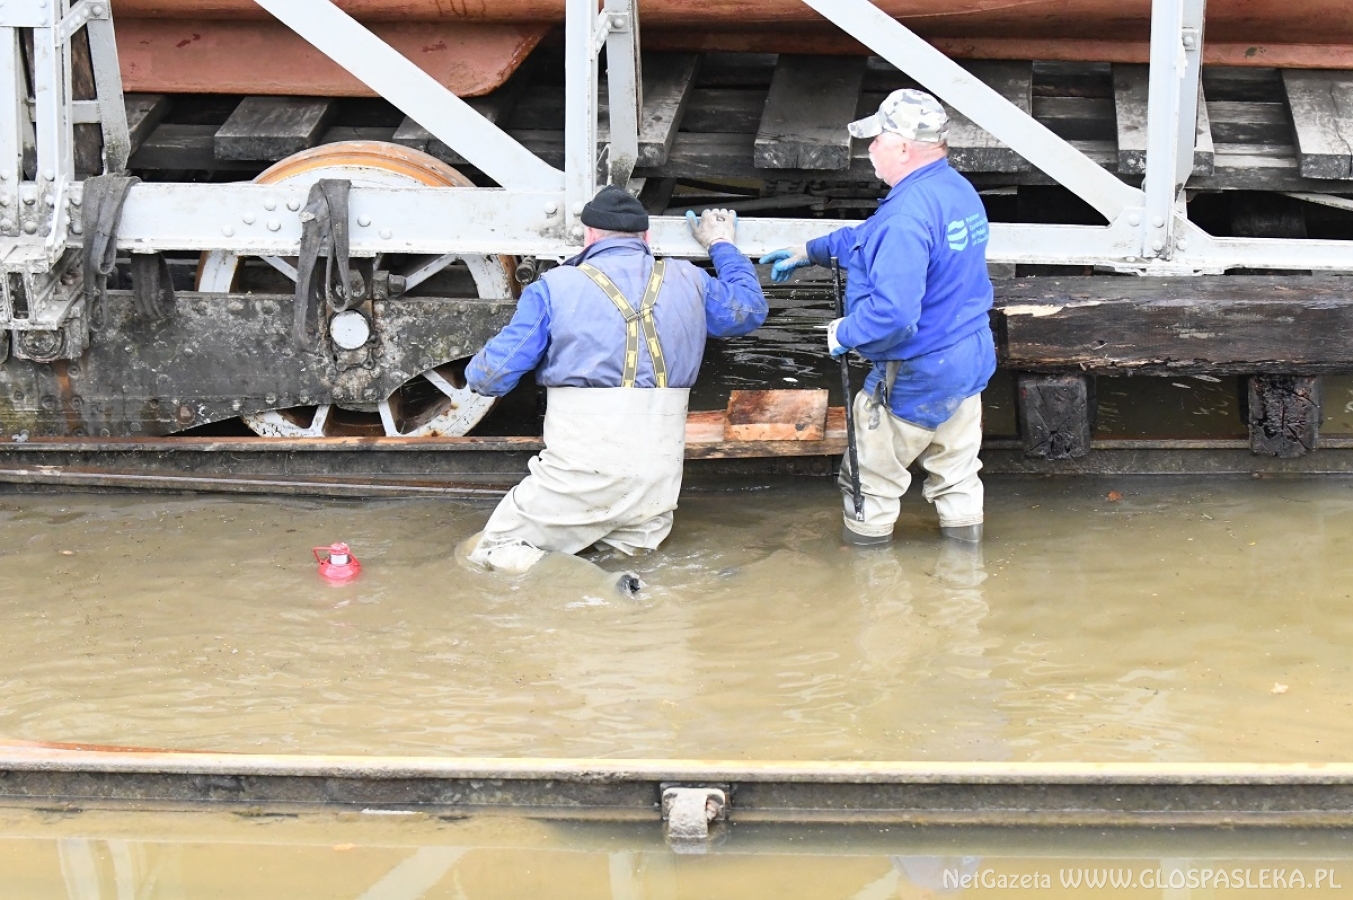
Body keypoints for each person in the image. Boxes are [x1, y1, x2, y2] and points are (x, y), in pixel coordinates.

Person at [463, 185, 768, 573]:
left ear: (589, 235)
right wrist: (721, 245)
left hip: (583, 472)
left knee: (489, 555)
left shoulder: (554, 287)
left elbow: (492, 377)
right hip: (658, 479)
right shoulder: (691, 279)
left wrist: (472, 371)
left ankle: (588, 586)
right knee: (628, 566)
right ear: (646, 237)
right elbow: (749, 310)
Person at [760, 88, 995, 546]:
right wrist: (810, 250)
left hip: (919, 368)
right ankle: (966, 573)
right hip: (968, 357)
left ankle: (868, 575)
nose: (869, 149)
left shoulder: (905, 215)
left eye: (878, 140)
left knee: (869, 480)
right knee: (957, 473)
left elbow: (895, 314)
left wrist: (844, 333)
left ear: (903, 148)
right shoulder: (954, 188)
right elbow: (872, 237)